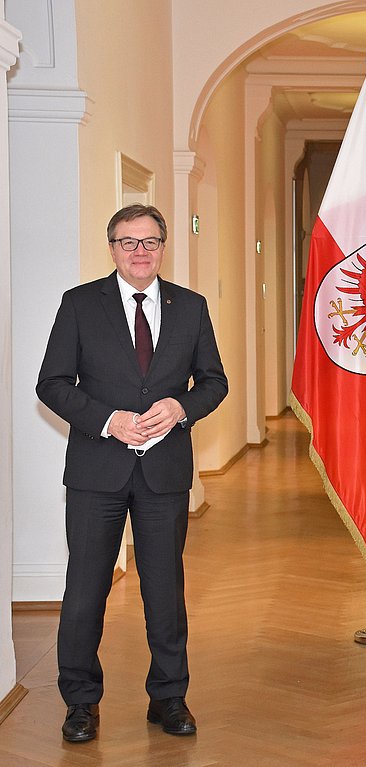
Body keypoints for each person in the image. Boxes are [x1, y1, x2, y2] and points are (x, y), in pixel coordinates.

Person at [37, 204, 228, 742]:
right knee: (85, 589)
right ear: (112, 248)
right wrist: (107, 420)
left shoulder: (190, 307)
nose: (139, 251)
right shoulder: (79, 305)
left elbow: (214, 381)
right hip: (97, 472)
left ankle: (169, 696)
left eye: (148, 241)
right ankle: (80, 702)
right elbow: (51, 383)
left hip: (164, 474)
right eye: (127, 242)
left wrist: (181, 408)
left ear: (163, 247)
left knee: (165, 590)